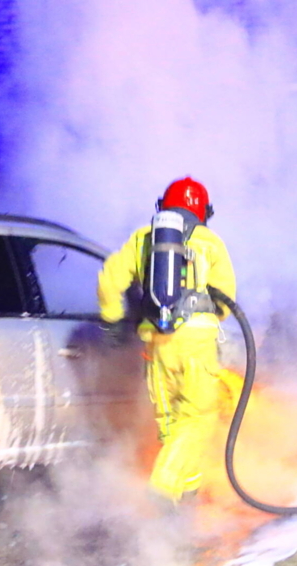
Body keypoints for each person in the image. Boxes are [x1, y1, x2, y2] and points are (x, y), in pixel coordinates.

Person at [97, 177, 236, 504]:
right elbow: (226, 300)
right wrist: (212, 316)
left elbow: (108, 282)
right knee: (197, 419)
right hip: (196, 343)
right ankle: (163, 490)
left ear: (163, 206)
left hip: (157, 343)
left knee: (172, 425)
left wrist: (113, 321)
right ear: (204, 211)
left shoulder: (142, 238)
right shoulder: (210, 242)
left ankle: (184, 502)